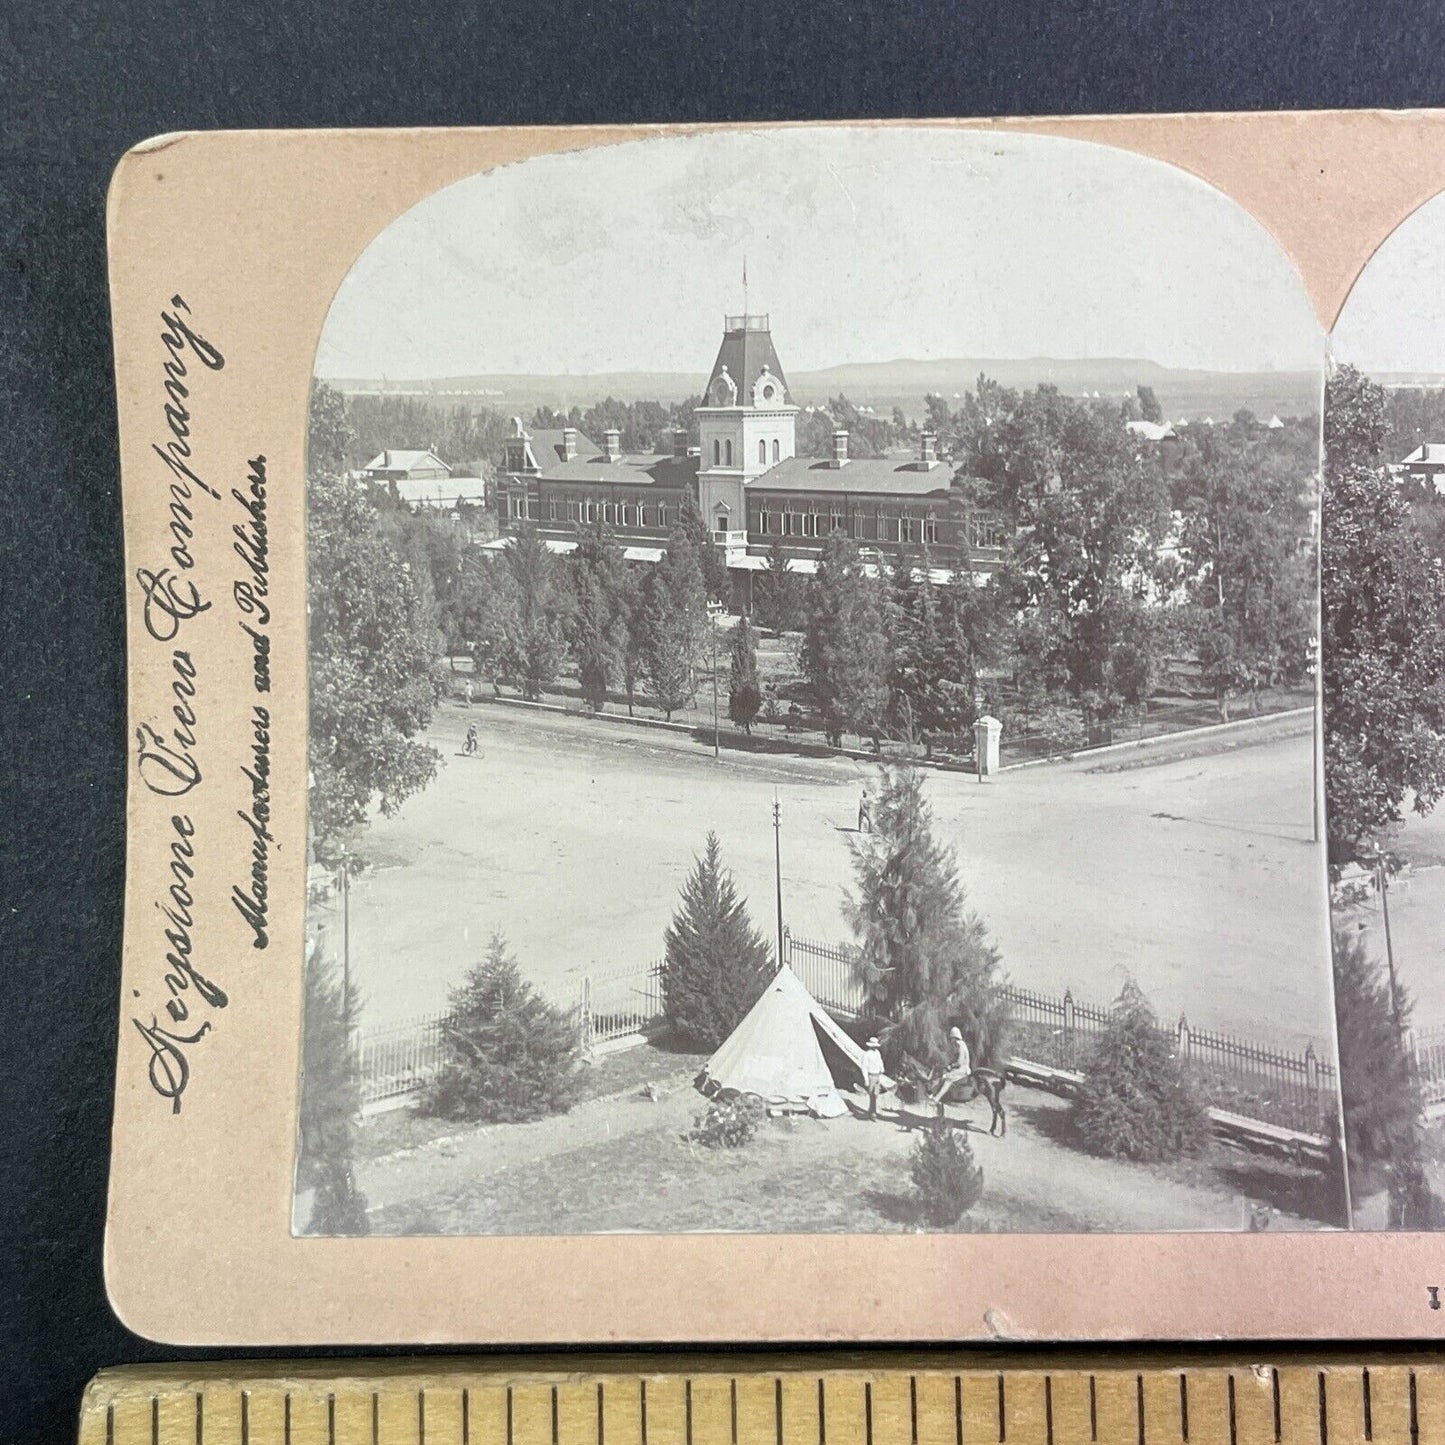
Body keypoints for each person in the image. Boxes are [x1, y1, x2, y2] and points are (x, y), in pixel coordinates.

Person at [930, 1025, 972, 1112]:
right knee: (945, 1075)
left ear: (954, 1037)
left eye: (951, 1038)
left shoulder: (959, 1045)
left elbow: (960, 1062)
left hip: (963, 1069)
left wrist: (951, 1066)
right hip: (962, 1068)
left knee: (948, 1078)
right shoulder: (961, 1044)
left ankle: (936, 1098)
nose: (951, 1041)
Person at [861, 1035, 886, 1120]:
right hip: (871, 1075)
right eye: (874, 1046)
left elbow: (880, 1061)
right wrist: (866, 1079)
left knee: (876, 1094)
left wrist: (882, 1068)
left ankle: (872, 1110)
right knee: (872, 1095)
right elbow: (864, 1067)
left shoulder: (877, 1053)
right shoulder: (866, 1054)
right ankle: (873, 1113)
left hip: (877, 1075)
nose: (875, 1047)